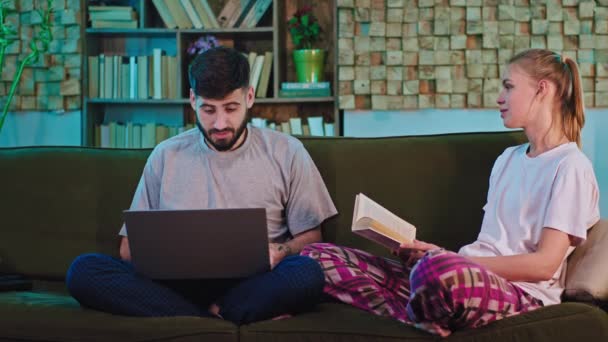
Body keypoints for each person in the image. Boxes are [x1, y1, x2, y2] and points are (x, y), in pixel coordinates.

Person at [301, 49, 600, 337]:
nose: (499, 97)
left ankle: (423, 309)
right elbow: (486, 246)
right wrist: (433, 256)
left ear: (542, 90)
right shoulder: (507, 159)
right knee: (316, 257)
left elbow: (544, 264)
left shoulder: (570, 167)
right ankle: (419, 318)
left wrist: (446, 260)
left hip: (520, 293)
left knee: (434, 271)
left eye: (509, 87)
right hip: (460, 280)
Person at [66, 46, 337, 324]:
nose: (220, 123)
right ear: (193, 100)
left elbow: (312, 238)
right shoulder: (166, 154)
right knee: (84, 270)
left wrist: (280, 251)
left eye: (231, 108)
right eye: (208, 109)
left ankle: (196, 317)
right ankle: (220, 316)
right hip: (179, 285)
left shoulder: (287, 151)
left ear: (250, 97)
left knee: (306, 274)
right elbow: (127, 249)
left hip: (256, 282)